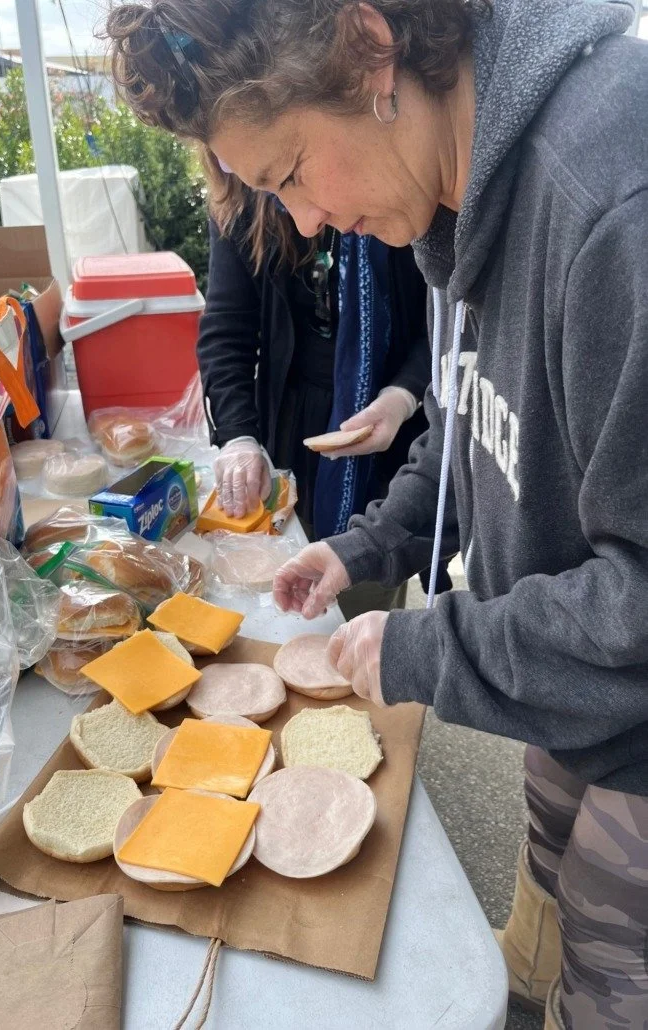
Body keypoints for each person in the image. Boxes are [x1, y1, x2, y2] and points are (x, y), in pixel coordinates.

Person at [106, 0, 648, 1026]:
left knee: (610, 957)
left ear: (367, 47)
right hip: (570, 696)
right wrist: (364, 544)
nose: (305, 222)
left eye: (293, 172)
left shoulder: (614, 197)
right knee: (540, 896)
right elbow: (476, 431)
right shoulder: (456, 192)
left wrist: (427, 647)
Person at [196, 168, 450, 614]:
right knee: (292, 594)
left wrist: (403, 394)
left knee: (369, 590)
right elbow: (226, 328)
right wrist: (238, 435)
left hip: (395, 434)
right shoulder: (235, 189)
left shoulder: (395, 181)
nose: (309, 224)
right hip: (293, 427)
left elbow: (445, 314)